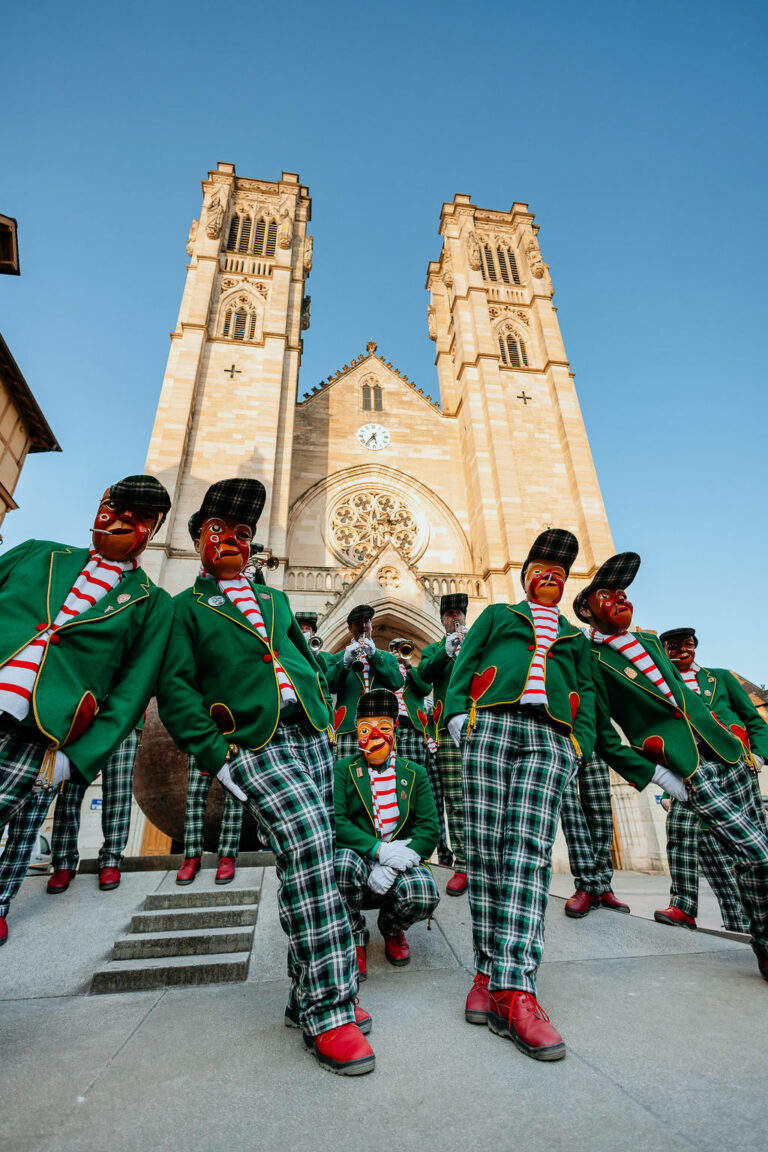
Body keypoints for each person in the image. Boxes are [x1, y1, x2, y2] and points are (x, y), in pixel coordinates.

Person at [157, 478, 374, 1075]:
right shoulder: (183, 609)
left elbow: (307, 663)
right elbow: (176, 689)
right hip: (252, 743)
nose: (234, 541)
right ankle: (330, 1008)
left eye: (245, 534)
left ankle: (303, 990)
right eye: (220, 531)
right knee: (308, 844)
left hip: (310, 738)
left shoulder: (276, 602)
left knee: (323, 859)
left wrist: (349, 680)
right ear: (200, 538)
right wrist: (217, 758)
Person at [573, 554, 768, 982]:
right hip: (689, 769)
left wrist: (746, 747)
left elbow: (684, 696)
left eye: (623, 593)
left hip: (728, 754)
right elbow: (605, 737)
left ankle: (762, 940)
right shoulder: (590, 658)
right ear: (588, 610)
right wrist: (659, 777)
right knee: (758, 853)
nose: (620, 599)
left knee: (755, 855)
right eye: (607, 595)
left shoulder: (650, 642)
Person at [0, 475, 174, 945]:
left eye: (139, 518)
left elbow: (132, 692)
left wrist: (77, 758)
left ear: (152, 533)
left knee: (19, 815)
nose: (121, 520)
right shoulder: (38, 552)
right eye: (114, 506)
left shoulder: (152, 603)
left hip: (39, 730)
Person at [445, 529, 595, 1061]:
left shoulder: (577, 640)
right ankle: (488, 971)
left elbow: (591, 697)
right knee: (483, 850)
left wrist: (579, 744)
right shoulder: (497, 617)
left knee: (528, 854)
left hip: (551, 736)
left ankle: (516, 987)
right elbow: (463, 667)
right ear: (526, 574)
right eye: (541, 566)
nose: (550, 573)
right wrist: (459, 714)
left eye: (561, 568)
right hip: (492, 726)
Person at [653, 626, 768, 931]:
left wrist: (757, 756)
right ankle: (683, 906)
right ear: (664, 652)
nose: (682, 650)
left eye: (687, 644)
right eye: (674, 646)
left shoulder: (721, 677)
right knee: (681, 829)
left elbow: (755, 720)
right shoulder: (663, 685)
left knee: (752, 834)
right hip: (692, 765)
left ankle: (747, 922)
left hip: (733, 761)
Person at [333, 688, 440, 977]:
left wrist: (392, 864)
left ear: (395, 731)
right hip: (358, 858)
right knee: (340, 866)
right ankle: (353, 936)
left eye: (384, 727)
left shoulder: (415, 773)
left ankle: (391, 927)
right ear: (357, 732)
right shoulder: (343, 769)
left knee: (424, 893)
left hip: (400, 858)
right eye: (366, 729)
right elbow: (338, 823)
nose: (375, 736)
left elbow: (430, 829)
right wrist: (379, 851)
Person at [415, 594, 470, 894]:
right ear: (441, 620)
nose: (455, 618)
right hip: (447, 731)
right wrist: (445, 653)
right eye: (449, 614)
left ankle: (484, 861)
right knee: (454, 798)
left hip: (477, 725)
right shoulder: (433, 649)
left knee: (481, 797)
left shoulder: (478, 642)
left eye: (459, 613)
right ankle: (461, 863)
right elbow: (422, 677)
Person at [47, 724, 143, 893]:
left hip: (128, 715)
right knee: (69, 789)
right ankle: (63, 862)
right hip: (86, 711)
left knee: (118, 789)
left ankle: (111, 860)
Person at [325, 605, 401, 759]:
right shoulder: (338, 657)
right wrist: (344, 663)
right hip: (348, 727)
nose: (364, 626)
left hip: (381, 726)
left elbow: (396, 682)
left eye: (367, 621)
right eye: (358, 623)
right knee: (348, 775)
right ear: (350, 629)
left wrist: (374, 656)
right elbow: (329, 686)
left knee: (380, 779)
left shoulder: (387, 658)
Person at [559, 754, 630, 918]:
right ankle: (587, 883)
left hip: (595, 737)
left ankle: (603, 885)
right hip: (562, 734)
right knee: (570, 809)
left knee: (600, 809)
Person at [175, 753, 244, 886]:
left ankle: (227, 856)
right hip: (201, 737)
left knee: (234, 796)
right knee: (195, 795)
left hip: (231, 738)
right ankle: (192, 857)